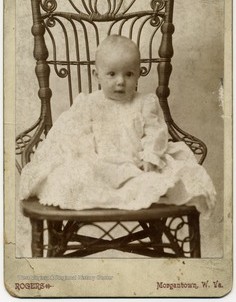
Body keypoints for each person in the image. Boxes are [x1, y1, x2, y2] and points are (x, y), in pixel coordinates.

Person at [19, 35, 216, 216]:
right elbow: (75, 134)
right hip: (100, 164)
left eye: (129, 74)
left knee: (158, 180)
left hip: (136, 166)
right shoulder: (89, 104)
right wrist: (84, 158)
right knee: (75, 177)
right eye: (111, 74)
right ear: (97, 75)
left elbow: (156, 133)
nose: (120, 81)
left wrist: (150, 156)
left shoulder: (144, 103)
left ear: (139, 74)